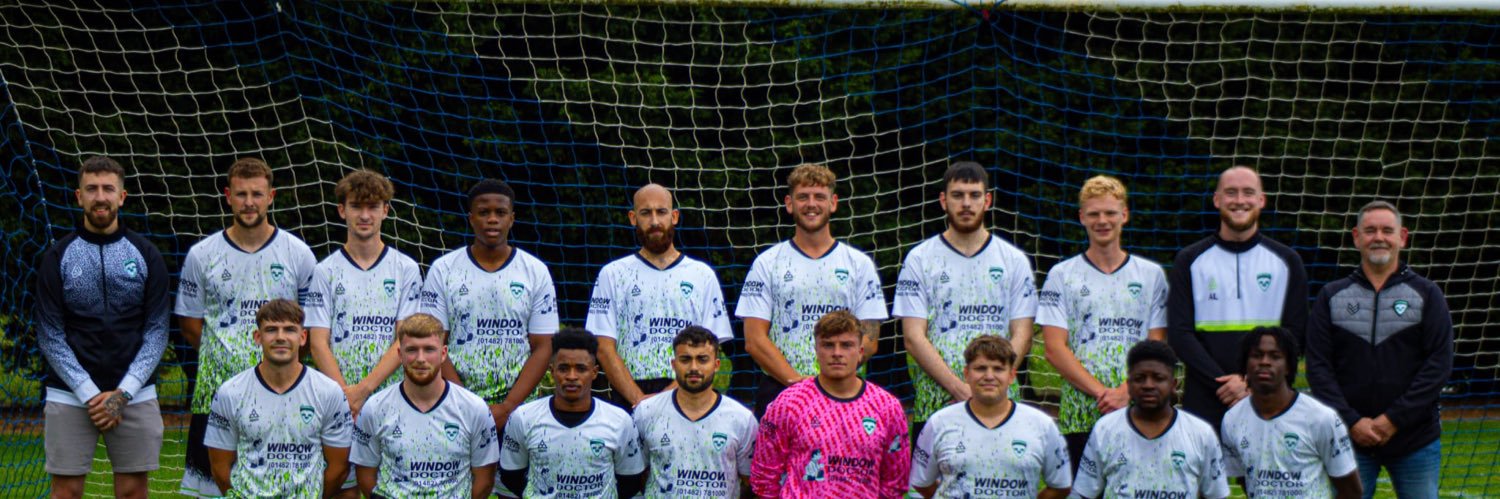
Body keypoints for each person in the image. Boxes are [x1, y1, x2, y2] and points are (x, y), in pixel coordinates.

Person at [176, 157, 317, 497]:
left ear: (272, 196)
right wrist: (228, 358)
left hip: (283, 394)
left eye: (257, 194)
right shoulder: (202, 254)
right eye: (241, 194)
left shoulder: (298, 253)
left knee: (276, 486)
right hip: (216, 390)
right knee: (214, 487)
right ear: (227, 196)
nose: (249, 202)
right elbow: (191, 324)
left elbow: (310, 326)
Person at [36, 156, 168, 499]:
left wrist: (123, 393)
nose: (100, 197)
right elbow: (50, 334)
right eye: (91, 189)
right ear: (78, 196)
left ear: (121, 197)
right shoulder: (57, 256)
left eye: (108, 188)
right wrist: (90, 394)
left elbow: (157, 331)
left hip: (136, 394)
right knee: (66, 492)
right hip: (69, 393)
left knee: (132, 491)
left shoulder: (146, 253)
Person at [1306, 201, 1453, 499]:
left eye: (1388, 230)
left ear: (1403, 237)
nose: (1379, 237)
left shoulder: (1428, 294)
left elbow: (1438, 365)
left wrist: (1393, 420)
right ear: (1356, 237)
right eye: (1370, 230)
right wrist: (1352, 421)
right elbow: (1318, 367)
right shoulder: (1331, 296)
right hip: (1348, 440)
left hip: (1416, 440)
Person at [894, 161, 1037, 437]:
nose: (966, 203)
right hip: (937, 402)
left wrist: (992, 382)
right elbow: (913, 337)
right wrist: (959, 388)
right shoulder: (920, 259)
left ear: (988, 200)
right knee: (934, 482)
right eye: (958, 195)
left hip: (1000, 404)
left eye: (974, 195)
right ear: (943, 201)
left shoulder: (1014, 260)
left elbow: (1023, 333)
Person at [303, 169, 422, 497]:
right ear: (342, 210)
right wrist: (344, 394)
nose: (365, 215)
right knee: (343, 487)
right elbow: (317, 341)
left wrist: (365, 390)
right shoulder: (324, 271)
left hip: (392, 398)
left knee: (388, 488)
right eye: (356, 206)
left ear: (386, 210)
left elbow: (406, 340)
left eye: (374, 207)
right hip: (337, 401)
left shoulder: (406, 268)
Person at [1038, 174, 1168, 472]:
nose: (1102, 220)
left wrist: (1127, 392)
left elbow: (1157, 345)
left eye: (1110, 213)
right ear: (1082, 217)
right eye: (1094, 214)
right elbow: (1054, 349)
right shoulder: (1061, 275)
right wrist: (1102, 394)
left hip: (1141, 406)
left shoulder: (1151, 275)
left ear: (1125, 215)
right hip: (1081, 413)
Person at [737, 164, 888, 417]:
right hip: (781, 392)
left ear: (833, 203)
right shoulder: (767, 263)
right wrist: (798, 384)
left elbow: (870, 339)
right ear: (789, 203)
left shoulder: (859, 265)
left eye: (819, 196)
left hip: (844, 392)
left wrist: (831, 380)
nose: (811, 204)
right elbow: (754, 340)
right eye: (803, 197)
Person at [1167, 165, 1307, 431]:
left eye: (1248, 192)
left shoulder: (1288, 261)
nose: (1240, 200)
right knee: (1206, 473)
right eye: (1231, 193)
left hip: (1268, 396)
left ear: (1261, 200)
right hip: (1207, 397)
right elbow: (1180, 333)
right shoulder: (1189, 260)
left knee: (1265, 474)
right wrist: (1224, 382)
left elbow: (1296, 334)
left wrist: (1251, 382)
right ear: (1217, 200)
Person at [419, 179, 559, 431]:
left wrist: (509, 406)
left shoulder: (535, 271)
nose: (492, 219)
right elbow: (433, 342)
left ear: (512, 218)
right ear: (471, 218)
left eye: (500, 213)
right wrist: (463, 402)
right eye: (484, 213)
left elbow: (544, 346)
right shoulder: (444, 269)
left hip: (519, 411)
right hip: (453, 407)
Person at [587, 184, 732, 410]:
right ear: (633, 218)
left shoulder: (702, 275)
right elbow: (603, 347)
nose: (654, 221)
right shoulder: (612, 274)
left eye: (661, 212)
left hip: (689, 395)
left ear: (674, 216)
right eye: (646, 213)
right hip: (627, 398)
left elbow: (712, 348)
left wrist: (666, 398)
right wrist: (639, 400)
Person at [749, 310, 909, 498]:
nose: (837, 353)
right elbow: (764, 477)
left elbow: (895, 483)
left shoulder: (887, 407)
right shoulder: (789, 403)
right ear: (816, 350)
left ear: (860, 352)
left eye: (846, 345)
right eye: (828, 345)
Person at [205, 299, 353, 497]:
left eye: (290, 330)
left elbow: (339, 467)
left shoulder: (329, 392)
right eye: (271, 329)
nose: (280, 337)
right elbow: (220, 468)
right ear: (258, 337)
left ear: (302, 337)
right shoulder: (230, 393)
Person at [351, 313, 498, 498]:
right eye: (412, 350)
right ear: (400, 354)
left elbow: (484, 480)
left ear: (443, 353)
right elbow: (365, 476)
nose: (420, 358)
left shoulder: (475, 409)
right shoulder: (375, 408)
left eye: (429, 349)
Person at [910, 335, 1070, 498]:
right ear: (967, 374)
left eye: (998, 369)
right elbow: (922, 483)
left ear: (1011, 375)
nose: (989, 376)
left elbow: (1060, 486)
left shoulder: (1041, 425)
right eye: (980, 368)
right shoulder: (939, 422)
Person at [499, 328, 647, 498]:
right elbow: (511, 477)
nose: (571, 376)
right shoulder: (523, 418)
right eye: (563, 368)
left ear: (593, 372)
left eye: (581, 369)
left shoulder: (619, 421)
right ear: (552, 370)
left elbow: (630, 481)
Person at [1072, 340, 1229, 499]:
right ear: (1128, 384)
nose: (1148, 385)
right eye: (1140, 378)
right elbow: (1083, 493)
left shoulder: (1201, 433)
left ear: (1174, 384)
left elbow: (1216, 494)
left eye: (1158, 378)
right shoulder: (1105, 429)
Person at [1221, 326, 1361, 498]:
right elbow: (1245, 479)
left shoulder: (1320, 418)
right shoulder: (1232, 419)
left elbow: (1351, 491)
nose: (1265, 362)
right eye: (1257, 355)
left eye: (1275, 356)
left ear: (1288, 367)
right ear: (1245, 365)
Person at [633, 326, 758, 498]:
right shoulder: (647, 412)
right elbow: (634, 472)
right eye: (685, 359)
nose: (694, 367)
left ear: (716, 365)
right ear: (674, 364)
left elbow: (750, 480)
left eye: (702, 359)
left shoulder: (742, 419)